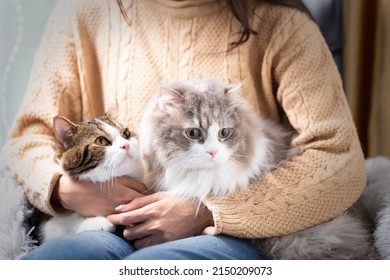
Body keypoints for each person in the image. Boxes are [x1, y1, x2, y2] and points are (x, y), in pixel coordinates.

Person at [2, 0, 366, 260]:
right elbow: (27, 137)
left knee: (161, 267)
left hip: (221, 233)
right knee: (68, 256)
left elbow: (339, 158)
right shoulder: (81, 14)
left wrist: (209, 212)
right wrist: (68, 190)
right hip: (103, 222)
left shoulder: (284, 24)